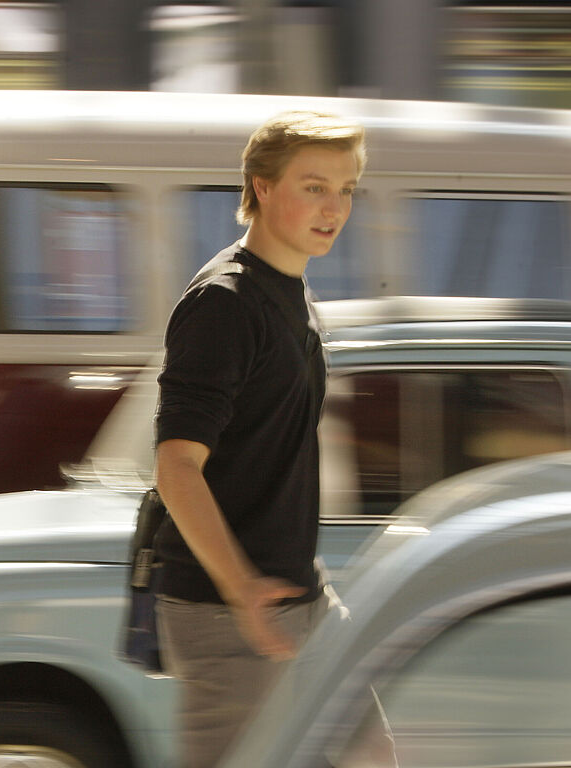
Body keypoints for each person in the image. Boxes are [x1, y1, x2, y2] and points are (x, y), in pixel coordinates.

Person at [153, 111, 393, 768]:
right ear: (261, 186)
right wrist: (242, 588)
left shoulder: (291, 291)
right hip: (230, 608)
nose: (334, 208)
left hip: (299, 590)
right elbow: (176, 467)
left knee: (373, 755)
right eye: (314, 187)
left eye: (345, 190)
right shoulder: (224, 303)